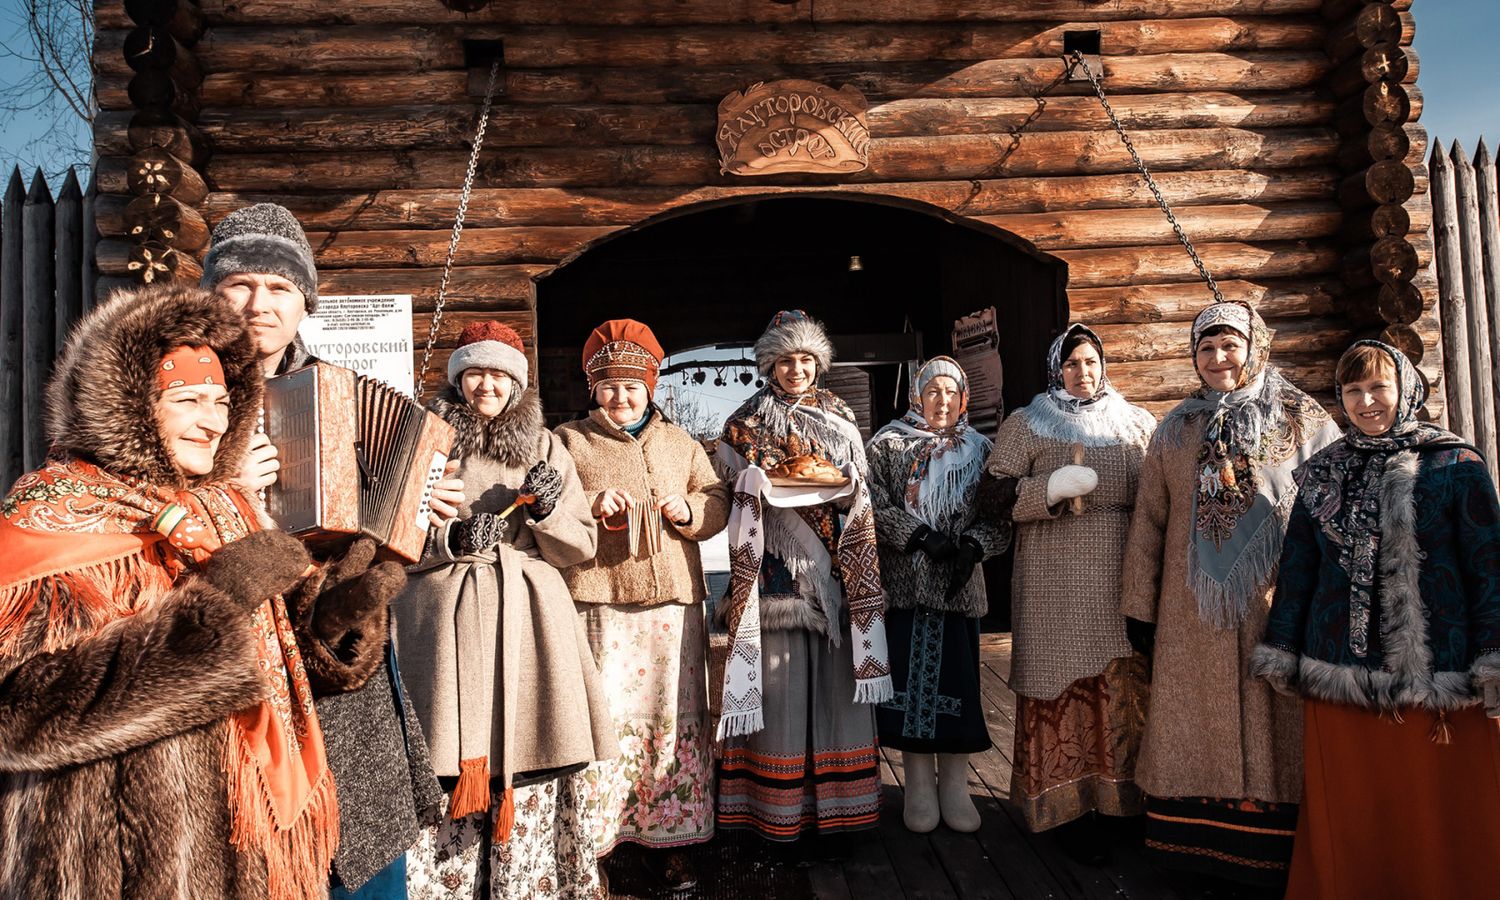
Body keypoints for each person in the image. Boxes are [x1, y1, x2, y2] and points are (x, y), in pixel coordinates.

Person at [0, 283, 403, 899]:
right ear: (130, 404)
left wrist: (326, 629)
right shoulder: (47, 514)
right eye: (189, 401)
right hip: (121, 860)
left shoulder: (222, 505)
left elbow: (266, 665)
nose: (214, 422)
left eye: (222, 401)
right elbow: (20, 713)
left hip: (252, 850)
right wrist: (209, 610)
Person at [204, 202, 447, 898]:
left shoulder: (341, 395)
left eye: (280, 288)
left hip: (344, 662)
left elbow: (394, 535)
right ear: (211, 292)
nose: (261, 303)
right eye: (240, 284)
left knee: (361, 864)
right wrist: (224, 487)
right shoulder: (181, 390)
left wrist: (427, 516)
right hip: (237, 664)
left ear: (305, 300)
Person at [1252, 340, 1500, 899]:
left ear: (1406, 388)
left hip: (1440, 677)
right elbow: (1299, 570)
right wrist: (1283, 650)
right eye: (1352, 390)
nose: (1366, 401)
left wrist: (1494, 658)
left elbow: (1489, 568)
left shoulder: (1456, 465)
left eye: (1378, 387)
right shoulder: (1321, 472)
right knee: (1357, 809)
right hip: (1339, 669)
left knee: (1440, 811)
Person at [1119, 301, 1341, 893]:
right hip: (1188, 613)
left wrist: (1323, 597)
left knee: (1273, 720)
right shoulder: (1177, 427)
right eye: (1207, 348)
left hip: (1271, 604)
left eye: (1230, 346)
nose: (1219, 359)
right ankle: (1191, 849)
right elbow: (1150, 521)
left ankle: (1269, 850)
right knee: (1190, 723)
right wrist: (1139, 605)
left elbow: (1333, 510)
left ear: (1255, 347)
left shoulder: (1300, 418)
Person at [394, 320, 617, 899]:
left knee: (531, 749)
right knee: (444, 756)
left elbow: (581, 545)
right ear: (458, 378)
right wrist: (453, 540)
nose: (486, 385)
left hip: (528, 619)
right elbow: (389, 532)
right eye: (475, 372)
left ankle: (528, 882)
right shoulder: (424, 439)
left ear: (516, 384)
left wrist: (546, 511)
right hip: (442, 621)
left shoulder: (547, 446)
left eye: (499, 374)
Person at [554, 319, 730, 889]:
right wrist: (589, 500)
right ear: (592, 389)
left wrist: (690, 511)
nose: (621, 396)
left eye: (632, 385)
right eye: (608, 385)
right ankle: (597, 842)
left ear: (651, 385)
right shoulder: (569, 441)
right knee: (601, 720)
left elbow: (717, 498)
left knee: (672, 719)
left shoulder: (680, 443)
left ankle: (672, 840)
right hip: (599, 602)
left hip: (671, 608)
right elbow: (549, 502)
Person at [713, 310, 893, 849]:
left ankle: (842, 820)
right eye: (786, 360)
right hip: (775, 580)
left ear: (819, 364)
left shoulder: (839, 414)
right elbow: (725, 492)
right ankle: (776, 818)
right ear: (770, 364)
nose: (796, 370)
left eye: (806, 360)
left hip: (837, 575)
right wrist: (751, 484)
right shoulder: (744, 422)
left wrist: (847, 490)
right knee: (783, 691)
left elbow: (857, 488)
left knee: (837, 695)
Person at [985, 325, 1155, 859]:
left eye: (1091, 361)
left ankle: (1123, 806)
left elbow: (1160, 496)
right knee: (1061, 689)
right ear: (1055, 370)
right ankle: (1066, 809)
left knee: (1121, 688)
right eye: (1072, 363)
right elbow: (989, 498)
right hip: (1051, 582)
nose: (1084, 372)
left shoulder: (1135, 423)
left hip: (1122, 577)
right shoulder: (1028, 423)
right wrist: (1048, 490)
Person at [866, 356, 1009, 834]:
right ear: (916, 397)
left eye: (951, 393)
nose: (942, 401)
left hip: (958, 589)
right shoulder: (887, 445)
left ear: (964, 398)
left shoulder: (983, 450)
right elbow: (872, 504)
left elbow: (999, 517)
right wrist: (919, 535)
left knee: (957, 684)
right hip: (907, 586)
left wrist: (974, 546)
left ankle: (956, 784)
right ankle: (919, 787)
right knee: (908, 688)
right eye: (932, 392)